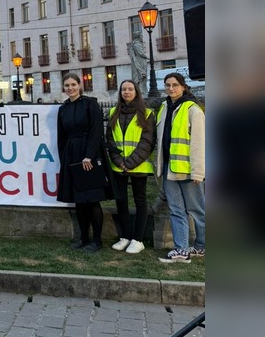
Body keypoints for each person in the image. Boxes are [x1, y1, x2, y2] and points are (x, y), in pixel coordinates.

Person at [153, 72, 205, 263]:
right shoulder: (164, 107)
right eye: (167, 85)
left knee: (197, 210)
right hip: (169, 168)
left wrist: (198, 172)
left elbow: (200, 143)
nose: (171, 88)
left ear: (183, 87)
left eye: (175, 85)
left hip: (188, 169)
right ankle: (181, 250)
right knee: (176, 210)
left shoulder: (193, 110)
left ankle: (202, 246)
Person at [56, 73, 108, 251]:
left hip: (88, 155)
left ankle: (97, 240)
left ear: (79, 85)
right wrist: (64, 158)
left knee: (92, 199)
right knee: (78, 200)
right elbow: (61, 137)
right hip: (71, 154)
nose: (70, 88)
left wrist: (89, 155)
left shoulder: (90, 104)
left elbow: (96, 131)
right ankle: (84, 238)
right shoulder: (63, 109)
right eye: (67, 85)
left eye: (73, 84)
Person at [104, 80, 155, 254]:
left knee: (140, 201)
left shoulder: (147, 113)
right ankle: (125, 236)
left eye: (130, 89)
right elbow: (110, 140)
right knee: (121, 201)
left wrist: (130, 162)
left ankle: (138, 239)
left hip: (138, 166)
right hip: (119, 166)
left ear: (136, 92)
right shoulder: (113, 112)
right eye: (123, 89)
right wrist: (119, 161)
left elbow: (147, 142)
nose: (126, 92)